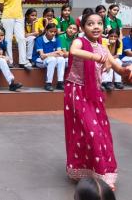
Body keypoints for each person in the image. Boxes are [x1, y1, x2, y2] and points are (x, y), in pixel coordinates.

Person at [64, 12, 132, 190]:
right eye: (90, 24)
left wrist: (127, 71)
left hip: (93, 94)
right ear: (82, 27)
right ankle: (89, 172)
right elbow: (73, 51)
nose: (96, 27)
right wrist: (94, 57)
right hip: (77, 91)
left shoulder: (103, 47)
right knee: (89, 130)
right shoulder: (80, 41)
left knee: (100, 131)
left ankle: (98, 173)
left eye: (99, 23)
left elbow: (117, 68)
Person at [0, 0, 32, 70]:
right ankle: (10, 61)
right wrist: (6, 14)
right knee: (8, 39)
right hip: (7, 18)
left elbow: (20, 4)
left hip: (19, 18)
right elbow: (0, 5)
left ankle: (23, 61)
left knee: (21, 38)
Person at [0, 28, 23, 94]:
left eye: (2, 35)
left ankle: (11, 83)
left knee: (2, 61)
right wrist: (2, 56)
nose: (0, 36)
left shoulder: (3, 42)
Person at [33, 23, 66, 91]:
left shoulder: (56, 39)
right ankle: (48, 83)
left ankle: (60, 82)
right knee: (52, 59)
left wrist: (47, 55)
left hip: (49, 58)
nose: (53, 33)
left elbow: (60, 53)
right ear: (46, 31)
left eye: (55, 32)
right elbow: (42, 56)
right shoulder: (39, 39)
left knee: (61, 59)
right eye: (51, 31)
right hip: (39, 60)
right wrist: (54, 53)